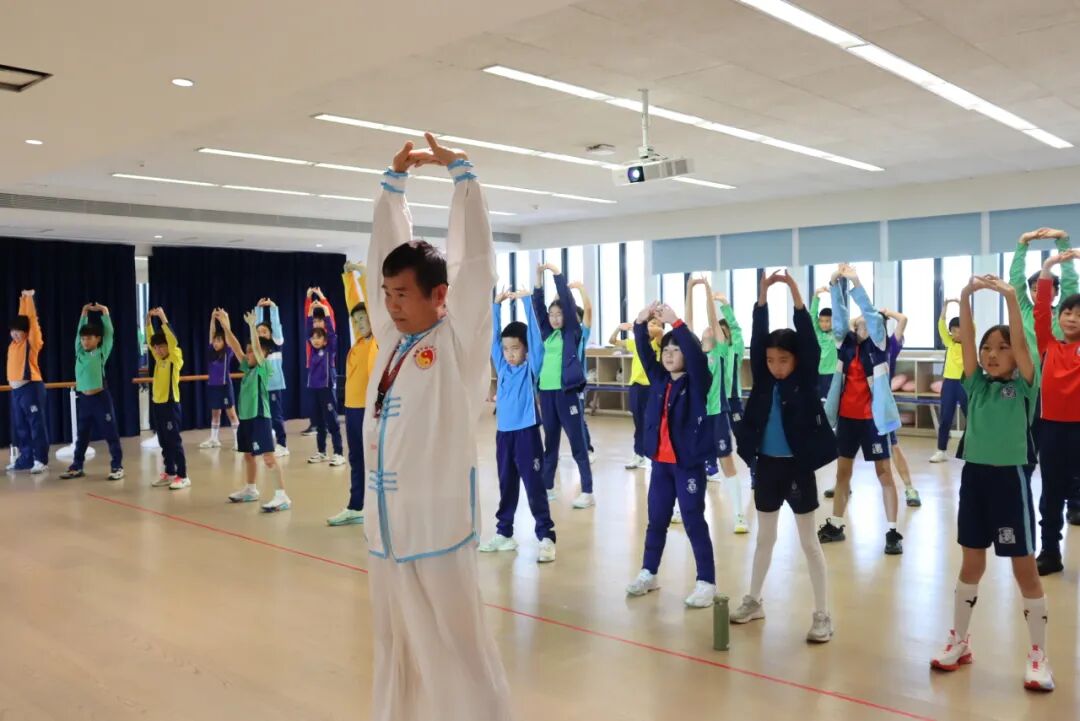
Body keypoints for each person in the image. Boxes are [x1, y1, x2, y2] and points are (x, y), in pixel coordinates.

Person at [364, 134, 512, 721]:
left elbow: (475, 265)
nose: (392, 304)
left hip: (438, 527)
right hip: (387, 529)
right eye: (388, 294)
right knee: (392, 645)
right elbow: (383, 256)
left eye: (404, 294)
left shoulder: (458, 340)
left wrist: (464, 180)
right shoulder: (391, 340)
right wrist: (393, 188)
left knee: (459, 646)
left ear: (440, 295)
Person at [930, 274, 1053, 691]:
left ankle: (1038, 655)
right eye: (987, 348)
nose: (993, 354)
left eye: (1002, 348)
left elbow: (1022, 344)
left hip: (1010, 481)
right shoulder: (976, 384)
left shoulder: (1025, 386)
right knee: (971, 564)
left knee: (1024, 569)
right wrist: (966, 297)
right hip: (975, 479)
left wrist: (1012, 299)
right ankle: (960, 641)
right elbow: (966, 341)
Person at [729, 270, 836, 642]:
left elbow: (807, 340)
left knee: (809, 543)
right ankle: (754, 600)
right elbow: (758, 338)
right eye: (771, 360)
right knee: (765, 538)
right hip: (767, 467)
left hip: (797, 468)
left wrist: (795, 294)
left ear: (796, 360)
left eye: (783, 360)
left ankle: (822, 615)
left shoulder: (804, 379)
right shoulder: (763, 379)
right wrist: (761, 298)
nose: (776, 366)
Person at [624, 300, 716, 607]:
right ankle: (649, 572)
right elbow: (643, 350)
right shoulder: (659, 378)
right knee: (657, 519)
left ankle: (706, 582)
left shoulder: (698, 380)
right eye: (666, 349)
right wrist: (640, 323)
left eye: (676, 350)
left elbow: (696, 356)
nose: (669, 354)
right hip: (661, 465)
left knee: (693, 519)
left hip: (687, 464)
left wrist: (677, 323)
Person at [818, 264, 903, 555]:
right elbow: (840, 318)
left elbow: (871, 315)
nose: (861, 324)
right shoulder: (845, 344)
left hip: (873, 421)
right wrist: (835, 284)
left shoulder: (879, 346)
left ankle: (892, 532)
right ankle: (836, 524)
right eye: (859, 324)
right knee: (842, 474)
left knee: (884, 474)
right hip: (847, 420)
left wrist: (856, 282)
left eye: (867, 322)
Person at [478, 288, 556, 562]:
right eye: (506, 349)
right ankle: (504, 533)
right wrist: (495, 306)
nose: (510, 354)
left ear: (525, 349)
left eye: (516, 349)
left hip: (527, 434)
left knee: (534, 486)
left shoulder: (530, 368)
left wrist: (525, 301)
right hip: (504, 436)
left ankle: (546, 536)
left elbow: (535, 339)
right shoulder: (502, 366)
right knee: (506, 483)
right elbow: (492, 338)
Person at [1010, 228, 1080, 525]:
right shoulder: (1028, 312)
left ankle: (1074, 503)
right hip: (1032, 392)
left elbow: (1072, 282)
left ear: (1055, 291)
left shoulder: (1066, 316)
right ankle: (1022, 490)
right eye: (1035, 287)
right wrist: (1022, 244)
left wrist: (1063, 242)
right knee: (1031, 448)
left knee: (1070, 453)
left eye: (1046, 286)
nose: (1040, 291)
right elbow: (1015, 282)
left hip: (1065, 395)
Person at [824, 307, 921, 507]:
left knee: (893, 447)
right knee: (846, 453)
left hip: (880, 410)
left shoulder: (888, 345)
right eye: (863, 325)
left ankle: (909, 487)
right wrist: (863, 319)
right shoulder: (857, 346)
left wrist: (885, 312)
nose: (864, 327)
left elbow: (903, 319)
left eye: (869, 325)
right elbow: (848, 326)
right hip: (857, 412)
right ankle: (842, 485)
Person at [686, 276, 747, 534]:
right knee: (690, 463)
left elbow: (713, 320)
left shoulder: (720, 353)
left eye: (713, 330)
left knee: (726, 461)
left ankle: (739, 514)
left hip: (718, 414)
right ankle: (683, 508)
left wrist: (708, 291)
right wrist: (689, 289)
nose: (709, 330)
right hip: (695, 416)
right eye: (706, 332)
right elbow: (687, 323)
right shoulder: (693, 354)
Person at [1033, 249, 1080, 576]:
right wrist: (1048, 266)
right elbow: (1040, 309)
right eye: (1067, 311)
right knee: (1051, 493)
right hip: (1051, 429)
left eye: (1079, 314)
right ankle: (1050, 552)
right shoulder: (1048, 345)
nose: (1072, 317)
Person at [533, 262, 594, 509]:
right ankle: (548, 486)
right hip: (547, 394)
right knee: (551, 443)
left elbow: (568, 303)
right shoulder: (548, 334)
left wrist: (557, 275)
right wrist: (538, 278)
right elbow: (538, 307)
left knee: (578, 444)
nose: (555, 318)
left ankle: (587, 491)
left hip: (567, 394)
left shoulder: (573, 333)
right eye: (552, 315)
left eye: (559, 314)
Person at [218, 309, 291, 513]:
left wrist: (252, 326)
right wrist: (226, 327)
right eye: (248, 351)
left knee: (268, 457)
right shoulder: (247, 367)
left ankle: (282, 496)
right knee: (248, 455)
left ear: (263, 354)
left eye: (251, 351)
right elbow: (235, 346)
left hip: (260, 417)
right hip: (246, 418)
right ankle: (251, 489)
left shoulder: (263, 367)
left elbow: (257, 350)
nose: (247, 353)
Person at [327, 261, 379, 527]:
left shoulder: (378, 342)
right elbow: (353, 305)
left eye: (364, 319)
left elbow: (370, 304)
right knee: (356, 458)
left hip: (371, 410)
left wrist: (364, 275)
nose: (359, 323)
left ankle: (379, 508)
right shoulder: (358, 343)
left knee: (374, 459)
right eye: (356, 321)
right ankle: (356, 506)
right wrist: (348, 278)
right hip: (353, 409)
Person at [60, 303, 123, 480]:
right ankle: (77, 466)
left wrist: (105, 311)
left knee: (111, 434)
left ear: (98, 339)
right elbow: (78, 332)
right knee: (82, 436)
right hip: (85, 400)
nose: (85, 341)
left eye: (89, 338)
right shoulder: (79, 352)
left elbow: (109, 333)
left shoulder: (102, 352)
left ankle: (117, 466)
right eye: (83, 339)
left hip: (101, 399)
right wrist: (84, 312)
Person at [610, 314, 664, 470]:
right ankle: (639, 454)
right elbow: (612, 341)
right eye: (650, 323)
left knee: (653, 422)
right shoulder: (636, 343)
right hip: (636, 386)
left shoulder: (658, 341)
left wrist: (637, 327)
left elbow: (658, 331)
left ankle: (657, 455)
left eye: (655, 323)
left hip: (651, 386)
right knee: (638, 422)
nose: (652, 326)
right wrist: (619, 328)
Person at [146, 307, 189, 490]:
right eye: (156, 347)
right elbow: (150, 342)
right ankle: (169, 471)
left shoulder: (174, 357)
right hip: (158, 405)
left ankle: (183, 475)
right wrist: (148, 322)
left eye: (161, 346)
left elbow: (172, 340)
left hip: (171, 405)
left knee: (174, 440)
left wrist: (162, 318)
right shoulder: (159, 359)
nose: (157, 349)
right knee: (163, 440)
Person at [6, 289, 49, 473]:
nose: (15, 334)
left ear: (26, 332)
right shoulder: (13, 345)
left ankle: (41, 459)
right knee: (21, 427)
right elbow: (22, 318)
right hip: (16, 391)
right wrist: (22, 300)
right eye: (13, 331)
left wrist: (29, 299)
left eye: (19, 331)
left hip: (31, 388)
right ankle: (26, 459)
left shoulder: (31, 343)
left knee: (35, 425)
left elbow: (30, 320)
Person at [306, 299, 345, 466]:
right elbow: (308, 328)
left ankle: (338, 453)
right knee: (319, 422)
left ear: (325, 340)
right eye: (313, 338)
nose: (315, 340)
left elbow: (331, 331)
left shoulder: (330, 349)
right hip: (314, 389)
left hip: (327, 389)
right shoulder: (312, 351)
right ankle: (321, 452)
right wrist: (310, 309)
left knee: (332, 421)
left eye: (319, 337)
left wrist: (324, 308)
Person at [931, 299, 967, 462]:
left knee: (971, 417)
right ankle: (941, 450)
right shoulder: (949, 343)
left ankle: (970, 449)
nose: (957, 333)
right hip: (949, 384)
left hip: (965, 383)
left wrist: (962, 305)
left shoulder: (969, 343)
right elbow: (941, 325)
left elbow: (971, 322)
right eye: (954, 331)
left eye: (961, 330)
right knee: (945, 417)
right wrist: (945, 307)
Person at [199, 310, 240, 450]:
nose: (216, 343)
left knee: (232, 414)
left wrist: (225, 319)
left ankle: (239, 441)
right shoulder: (211, 350)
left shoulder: (228, 351)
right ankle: (214, 439)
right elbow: (211, 333)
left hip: (225, 386)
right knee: (215, 414)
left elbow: (228, 334)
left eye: (219, 340)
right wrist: (212, 318)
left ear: (224, 342)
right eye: (215, 341)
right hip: (213, 387)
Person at [253, 298, 289, 457]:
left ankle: (282, 444)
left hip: (274, 386)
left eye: (265, 332)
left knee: (276, 416)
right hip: (260, 387)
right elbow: (256, 327)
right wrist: (258, 309)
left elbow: (276, 326)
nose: (261, 334)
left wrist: (273, 308)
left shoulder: (277, 343)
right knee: (262, 416)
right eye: (259, 332)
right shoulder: (257, 348)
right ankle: (265, 443)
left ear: (271, 334)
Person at [301, 287, 336, 436]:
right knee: (313, 401)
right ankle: (315, 424)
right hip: (313, 368)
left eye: (319, 321)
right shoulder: (311, 335)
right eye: (314, 321)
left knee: (327, 401)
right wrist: (308, 298)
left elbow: (330, 315)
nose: (316, 323)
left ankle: (330, 425)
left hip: (326, 369)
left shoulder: (328, 334)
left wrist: (322, 298)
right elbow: (307, 317)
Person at [568, 280, 595, 462]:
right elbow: (553, 311)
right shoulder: (562, 333)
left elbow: (588, 309)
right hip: (560, 382)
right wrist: (560, 293)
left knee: (578, 418)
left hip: (576, 383)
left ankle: (588, 450)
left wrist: (580, 288)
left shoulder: (581, 333)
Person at [810, 288, 837, 400]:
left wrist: (834, 296)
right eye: (821, 321)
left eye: (827, 321)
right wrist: (816, 294)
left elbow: (839, 315)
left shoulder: (836, 334)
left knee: (832, 400)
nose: (824, 324)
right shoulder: (818, 333)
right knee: (820, 400)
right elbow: (812, 316)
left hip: (834, 372)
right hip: (820, 372)